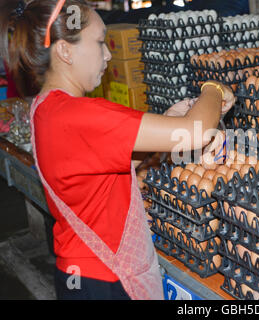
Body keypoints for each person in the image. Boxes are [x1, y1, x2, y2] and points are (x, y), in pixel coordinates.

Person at [0, 0, 235, 300]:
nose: (109, 54)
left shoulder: (47, 108)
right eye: (99, 42)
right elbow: (196, 132)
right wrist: (214, 88)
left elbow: (103, 164)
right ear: (64, 51)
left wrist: (169, 122)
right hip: (105, 280)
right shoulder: (81, 115)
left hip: (78, 273)